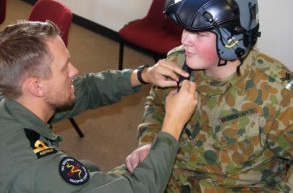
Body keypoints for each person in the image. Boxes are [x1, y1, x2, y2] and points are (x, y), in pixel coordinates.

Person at [126, 0, 293, 192]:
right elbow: (157, 104)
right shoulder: (178, 62)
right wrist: (150, 143)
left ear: (232, 39)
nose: (184, 40)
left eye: (200, 34)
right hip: (168, 175)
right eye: (186, 29)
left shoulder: (278, 93)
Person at [0, 20, 198, 193]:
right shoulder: (38, 168)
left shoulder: (15, 97)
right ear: (37, 86)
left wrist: (143, 75)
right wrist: (173, 123)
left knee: (91, 167)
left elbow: (87, 89)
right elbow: (138, 189)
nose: (74, 71)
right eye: (64, 68)